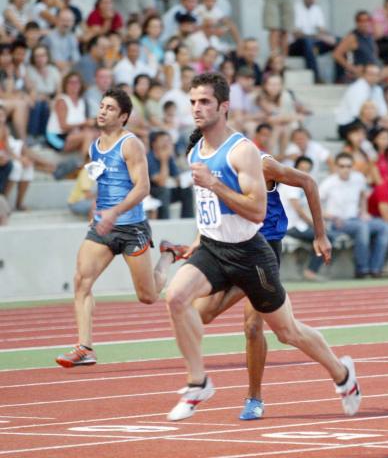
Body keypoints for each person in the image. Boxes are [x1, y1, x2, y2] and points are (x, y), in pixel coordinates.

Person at [164, 72, 361, 421]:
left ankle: (342, 374)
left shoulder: (249, 155)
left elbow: (259, 209)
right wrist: (194, 244)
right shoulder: (196, 150)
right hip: (215, 247)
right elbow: (210, 210)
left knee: (283, 331)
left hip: (256, 251)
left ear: (224, 107)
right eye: (192, 101)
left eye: (204, 101)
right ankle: (198, 382)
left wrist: (320, 234)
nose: (196, 108)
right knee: (178, 299)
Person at [190, 137, 332, 419]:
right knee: (201, 313)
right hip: (230, 247)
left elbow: (308, 182)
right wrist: (197, 242)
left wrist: (320, 234)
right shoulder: (210, 171)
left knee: (253, 327)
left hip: (264, 248)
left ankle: (254, 399)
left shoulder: (262, 163)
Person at [54, 88, 183, 368]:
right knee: (81, 281)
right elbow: (103, 184)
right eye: (101, 106)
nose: (102, 111)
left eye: (110, 108)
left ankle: (168, 255)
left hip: (131, 228)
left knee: (148, 296)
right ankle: (85, 347)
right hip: (102, 228)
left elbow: (143, 187)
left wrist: (115, 211)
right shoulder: (94, 145)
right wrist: (98, 212)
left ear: (123, 116)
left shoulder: (130, 144)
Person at [289, 0, 337, 83]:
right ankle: (315, 78)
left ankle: (340, 77)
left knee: (338, 41)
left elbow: (322, 29)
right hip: (296, 46)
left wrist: (329, 37)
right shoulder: (295, 9)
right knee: (308, 42)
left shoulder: (317, 10)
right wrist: (316, 36)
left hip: (313, 44)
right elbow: (296, 34)